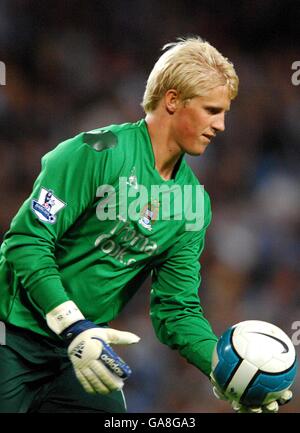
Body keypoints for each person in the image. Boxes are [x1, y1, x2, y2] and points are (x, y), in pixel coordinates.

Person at [0, 36, 292, 413]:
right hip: (13, 332)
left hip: (80, 352)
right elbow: (26, 242)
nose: (221, 125)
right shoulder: (95, 151)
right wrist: (72, 323)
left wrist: (227, 372)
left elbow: (176, 308)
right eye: (211, 110)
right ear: (172, 101)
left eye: (224, 113)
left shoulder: (193, 204)